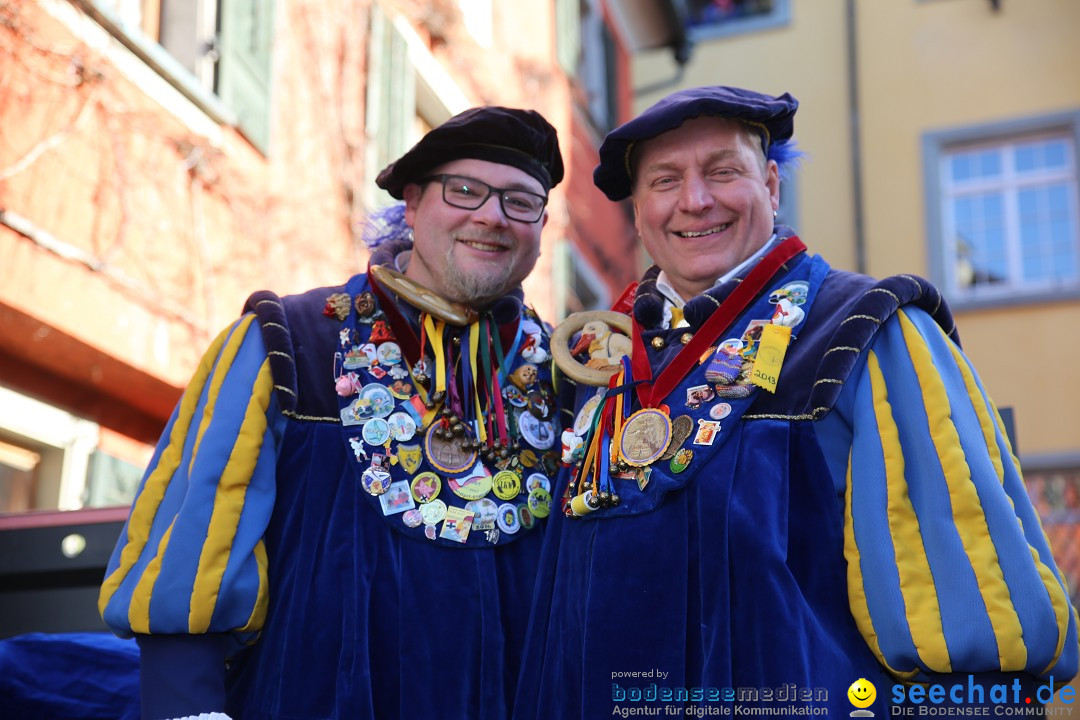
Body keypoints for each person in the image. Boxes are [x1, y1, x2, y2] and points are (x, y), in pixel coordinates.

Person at [515, 86, 1078, 718]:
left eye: (723, 171)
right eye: (665, 181)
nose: (695, 200)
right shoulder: (598, 364)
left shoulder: (869, 331)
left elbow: (967, 620)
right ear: (640, 213)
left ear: (772, 185)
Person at [98, 106, 566, 720]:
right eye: (465, 190)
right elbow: (190, 553)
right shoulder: (284, 343)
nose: (491, 216)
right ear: (414, 202)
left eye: (520, 201)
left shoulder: (568, 376)